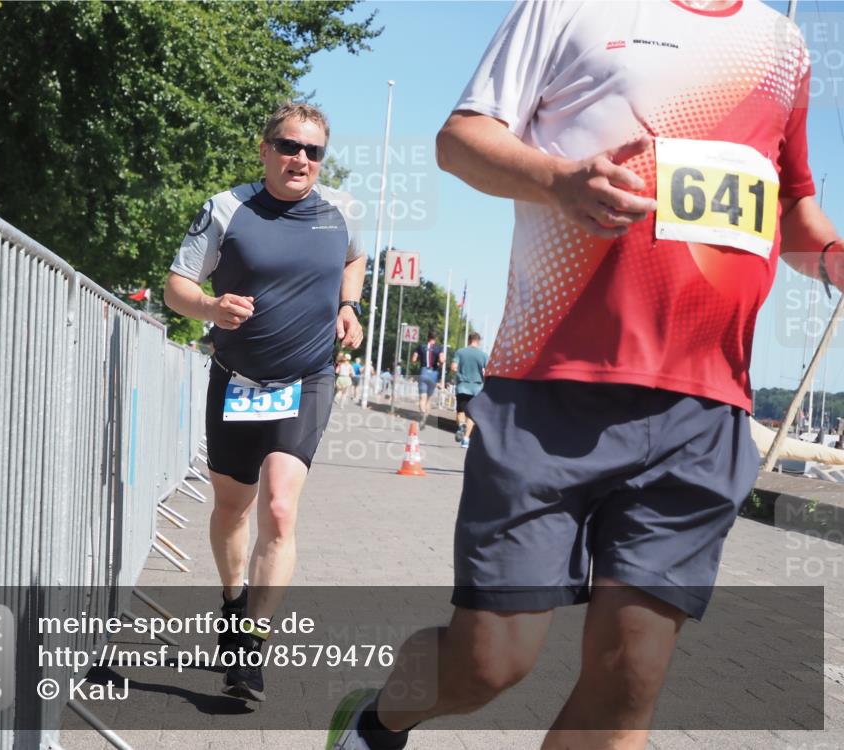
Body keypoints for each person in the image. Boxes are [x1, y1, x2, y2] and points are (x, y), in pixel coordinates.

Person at [327, 1, 843, 748]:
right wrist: (558, 179)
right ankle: (376, 722)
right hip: (552, 387)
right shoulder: (569, 5)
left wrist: (832, 259)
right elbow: (459, 140)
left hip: (704, 408)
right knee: (488, 664)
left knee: (629, 679)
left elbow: (793, 208)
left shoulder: (782, 44)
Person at [163, 101, 365, 702]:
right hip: (236, 377)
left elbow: (355, 256)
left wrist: (349, 306)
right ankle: (232, 601)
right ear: (265, 148)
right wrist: (210, 308)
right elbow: (178, 285)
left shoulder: (343, 211)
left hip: (306, 379)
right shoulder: (228, 209)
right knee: (233, 507)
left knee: (279, 508)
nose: (300, 159)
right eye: (288, 146)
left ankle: (252, 644)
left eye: (313, 151)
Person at [451, 332, 487, 448]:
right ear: (478, 341)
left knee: (460, 411)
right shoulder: (483, 355)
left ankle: (461, 425)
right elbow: (488, 371)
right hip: (476, 388)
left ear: (469, 340)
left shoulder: (460, 352)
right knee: (471, 415)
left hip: (462, 386)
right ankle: (466, 439)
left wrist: (458, 374)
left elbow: (453, 367)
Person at [409, 332, 444, 426]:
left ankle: (422, 413)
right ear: (435, 339)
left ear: (427, 338)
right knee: (429, 399)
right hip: (433, 373)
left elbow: (413, 359)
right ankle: (426, 417)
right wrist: (440, 364)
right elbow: (441, 360)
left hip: (423, 372)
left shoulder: (421, 346)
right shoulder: (438, 348)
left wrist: (414, 360)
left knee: (422, 397)